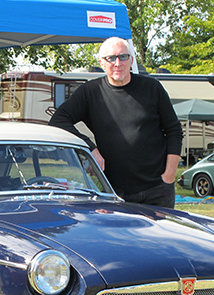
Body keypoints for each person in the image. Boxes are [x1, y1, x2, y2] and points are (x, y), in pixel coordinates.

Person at [48, 37, 183, 208]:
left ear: (131, 60)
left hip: (157, 190)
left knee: (160, 236)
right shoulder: (90, 92)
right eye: (111, 58)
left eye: (123, 57)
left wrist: (169, 175)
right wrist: (91, 148)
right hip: (115, 192)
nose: (117, 63)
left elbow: (174, 131)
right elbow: (58, 121)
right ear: (102, 63)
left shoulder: (152, 88)